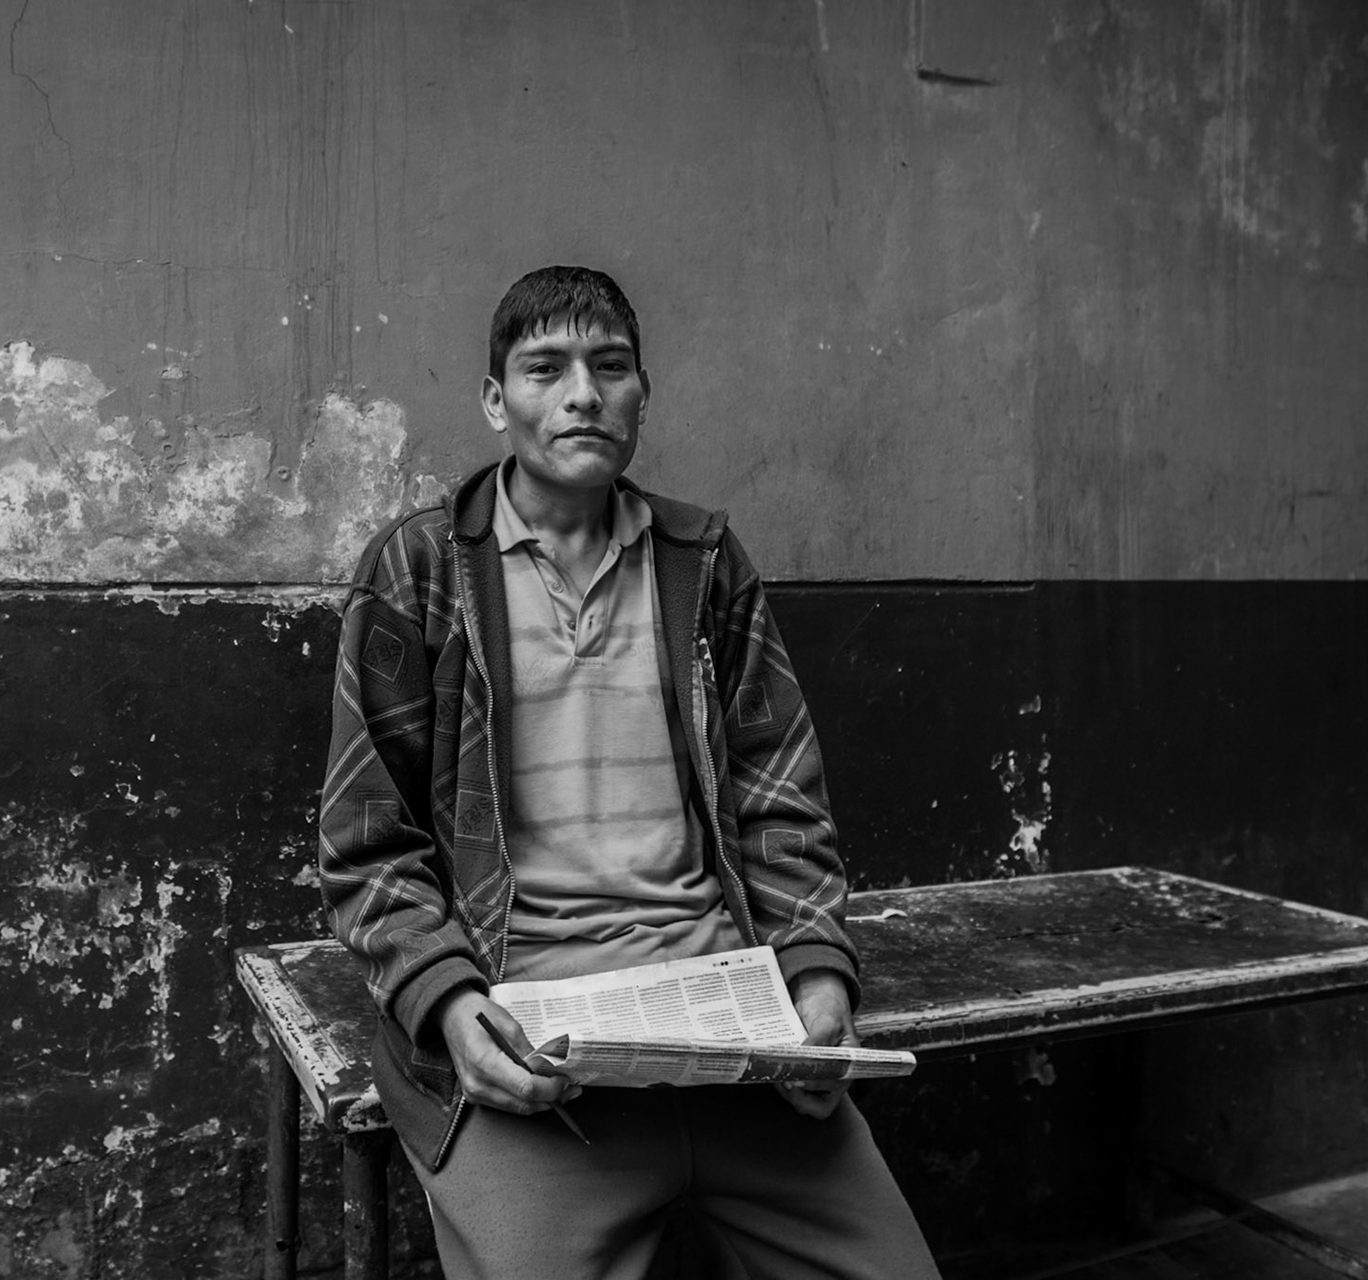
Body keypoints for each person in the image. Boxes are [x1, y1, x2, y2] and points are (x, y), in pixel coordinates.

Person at [319, 266, 939, 1279]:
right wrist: (451, 1006)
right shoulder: (421, 572)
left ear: (642, 393)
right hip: (534, 1047)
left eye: (610, 367)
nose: (582, 392)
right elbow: (366, 841)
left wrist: (818, 975)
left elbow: (780, 798)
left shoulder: (703, 561)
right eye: (545, 368)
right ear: (494, 401)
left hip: (732, 1027)